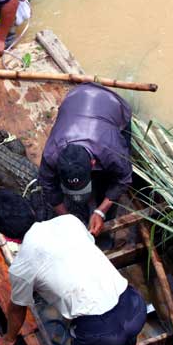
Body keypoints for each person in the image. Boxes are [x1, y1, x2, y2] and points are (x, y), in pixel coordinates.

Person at [0, 189, 146, 345]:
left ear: (7, 236)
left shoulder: (21, 267)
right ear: (31, 210)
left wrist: (8, 339)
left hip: (99, 333)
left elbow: (17, 308)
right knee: (128, 339)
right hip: (134, 306)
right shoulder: (69, 221)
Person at [38, 83, 133, 237]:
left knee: (108, 180)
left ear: (93, 163)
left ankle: (102, 222)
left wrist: (101, 211)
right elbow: (48, 185)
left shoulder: (111, 150)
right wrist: (66, 218)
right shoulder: (51, 154)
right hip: (75, 98)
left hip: (112, 104)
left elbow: (123, 178)